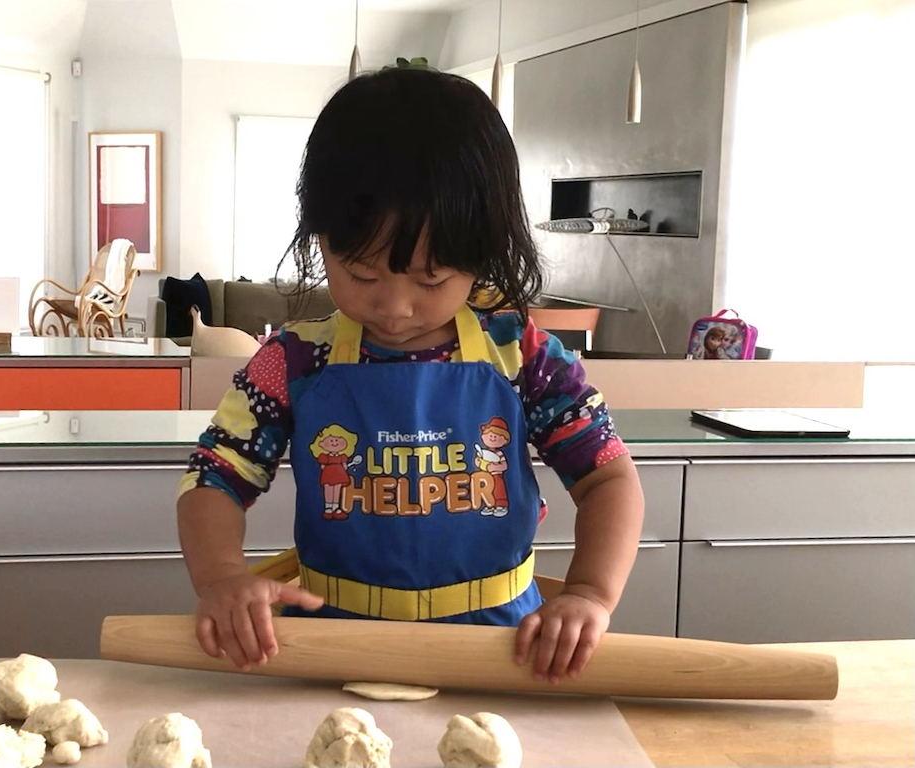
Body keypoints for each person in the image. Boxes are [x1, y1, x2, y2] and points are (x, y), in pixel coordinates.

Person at [177, 67, 645, 686]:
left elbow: (609, 480)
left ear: (482, 254)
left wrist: (590, 593)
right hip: (333, 654)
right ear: (320, 242)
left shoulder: (522, 357)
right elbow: (214, 479)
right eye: (363, 277)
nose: (395, 308)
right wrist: (222, 579)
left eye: (431, 281)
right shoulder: (291, 362)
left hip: (501, 658)